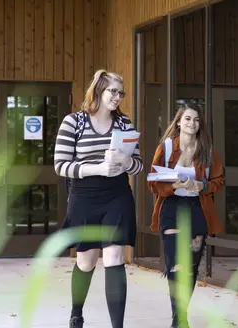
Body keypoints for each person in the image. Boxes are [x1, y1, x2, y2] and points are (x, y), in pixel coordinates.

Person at [54, 69, 143, 328]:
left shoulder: (125, 124)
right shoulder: (74, 122)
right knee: (86, 261)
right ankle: (76, 314)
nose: (118, 97)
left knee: (114, 258)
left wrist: (126, 160)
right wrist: (96, 168)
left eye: (121, 92)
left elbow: (138, 166)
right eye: (113, 91)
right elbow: (61, 166)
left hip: (117, 195)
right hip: (84, 196)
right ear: (98, 90)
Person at [148, 103, 224, 328]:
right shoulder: (166, 148)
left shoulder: (209, 152)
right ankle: (178, 319)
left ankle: (181, 316)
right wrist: (172, 185)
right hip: (171, 207)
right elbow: (153, 183)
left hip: (197, 208)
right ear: (179, 122)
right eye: (188, 119)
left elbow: (218, 182)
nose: (192, 123)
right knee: (176, 264)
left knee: (190, 266)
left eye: (196, 120)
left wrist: (201, 186)